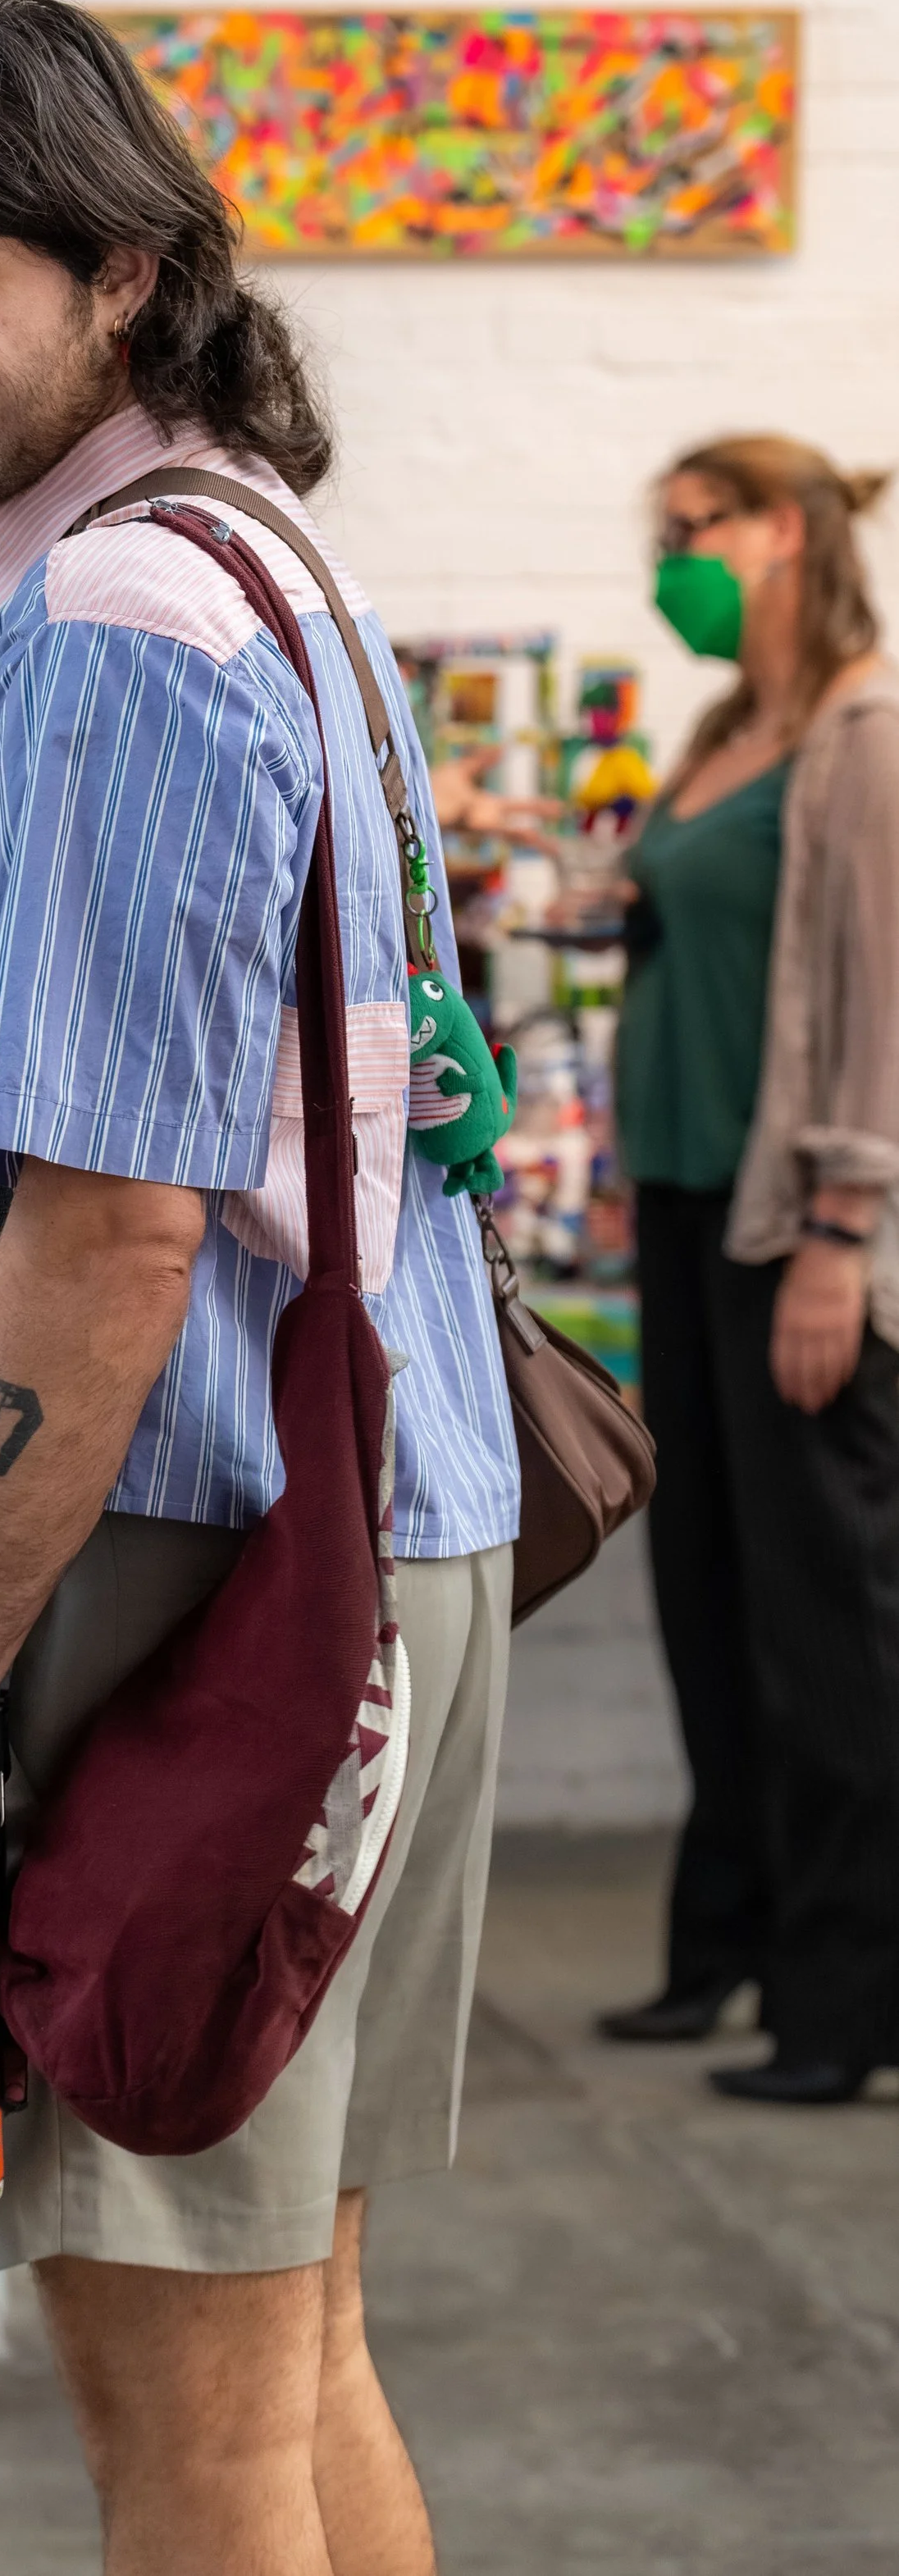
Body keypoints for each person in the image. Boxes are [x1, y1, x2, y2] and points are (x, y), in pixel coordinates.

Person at [0, 0, 519, 2576]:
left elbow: (106, 1237)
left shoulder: (113, 625)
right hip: (359, 1531)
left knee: (179, 2414)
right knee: (284, 2343)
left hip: (196, 1563)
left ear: (130, 266)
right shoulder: (257, 561)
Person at [600, 434, 899, 2104]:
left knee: (823, 1623)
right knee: (703, 1594)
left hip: (787, 1229)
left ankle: (843, 2006)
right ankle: (720, 1946)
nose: (668, 566)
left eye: (690, 533)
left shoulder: (860, 734)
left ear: (782, 533)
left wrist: (838, 1238)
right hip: (675, 1212)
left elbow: (877, 1007)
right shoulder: (725, 736)